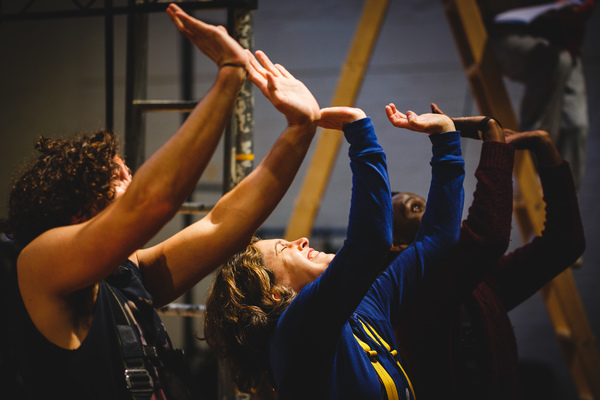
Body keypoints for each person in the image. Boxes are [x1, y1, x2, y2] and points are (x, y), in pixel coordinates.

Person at [5, 4, 323, 399]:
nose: (134, 179)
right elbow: (152, 202)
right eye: (120, 179)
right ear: (78, 209)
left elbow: (222, 225)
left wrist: (300, 129)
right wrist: (228, 73)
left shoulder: (122, 278)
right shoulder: (39, 267)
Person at [203, 104, 466, 399]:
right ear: (272, 293)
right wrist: (359, 131)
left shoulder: (363, 307)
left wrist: (445, 138)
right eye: (284, 247)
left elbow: (436, 241)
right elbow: (371, 242)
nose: (300, 240)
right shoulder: (294, 332)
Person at [392, 104, 586, 399]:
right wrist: (490, 133)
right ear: (398, 244)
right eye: (416, 209)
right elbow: (488, 236)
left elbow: (563, 244)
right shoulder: (415, 292)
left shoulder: (480, 285)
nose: (436, 210)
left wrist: (544, 147)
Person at [477, 0, 595, 190]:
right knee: (555, 61)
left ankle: (566, 201)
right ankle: (534, 160)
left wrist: (577, 9)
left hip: (561, 38)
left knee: (576, 125)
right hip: (505, 29)